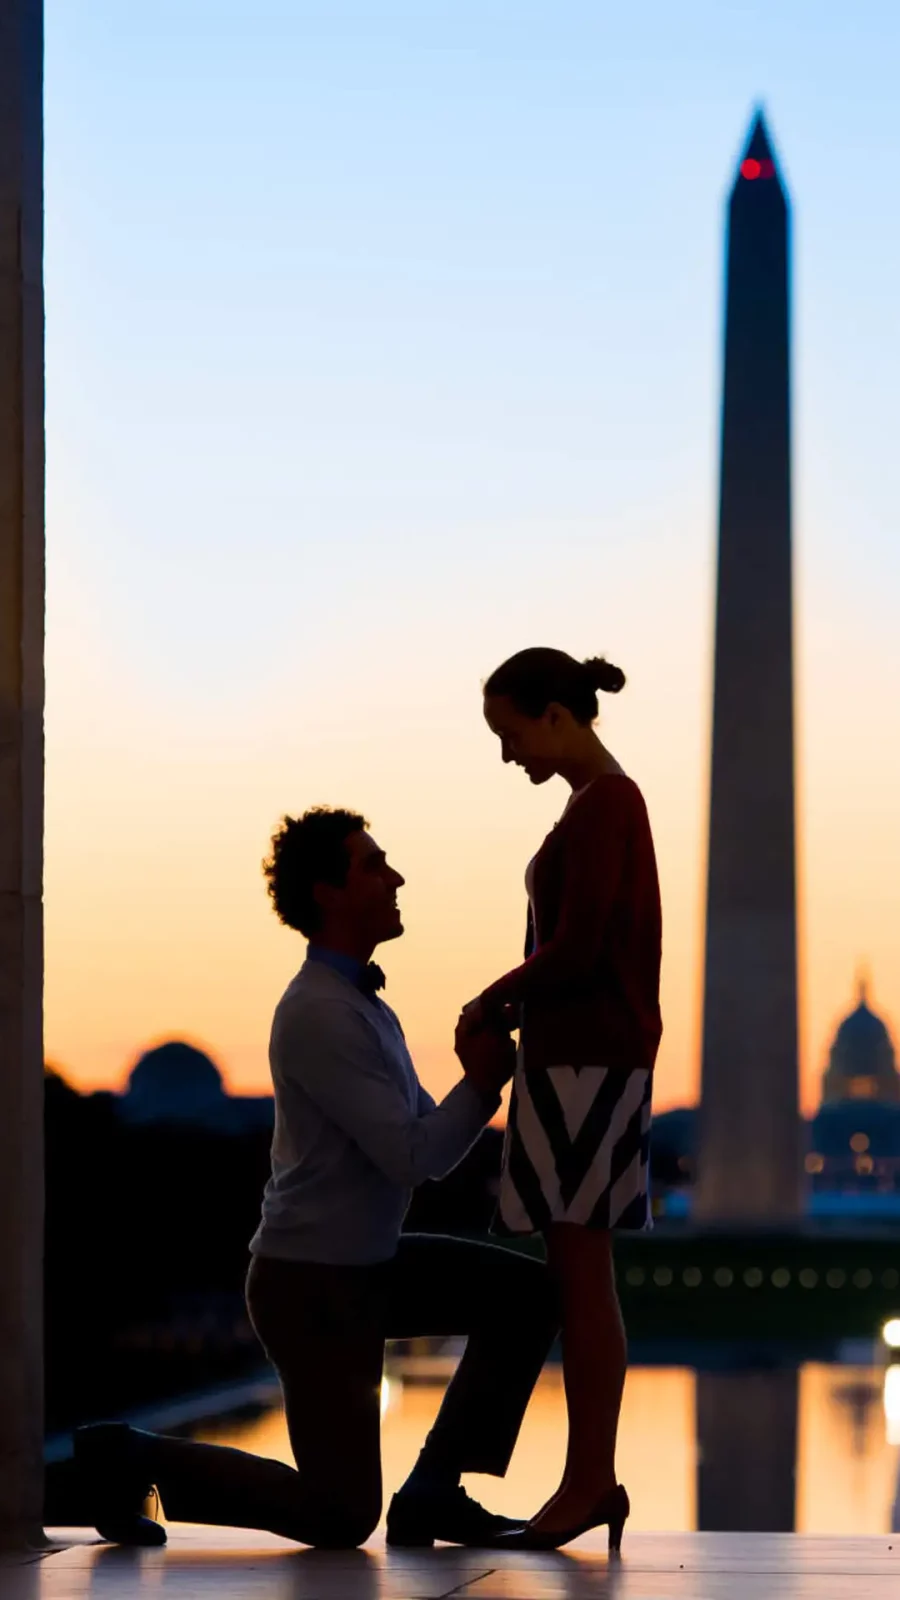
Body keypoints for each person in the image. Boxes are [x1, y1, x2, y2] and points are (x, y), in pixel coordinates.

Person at [66, 807, 559, 1550]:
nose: (396, 877)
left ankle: (434, 1487)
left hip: (364, 1268)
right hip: (313, 1286)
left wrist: (476, 1082)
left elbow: (425, 1145)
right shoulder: (320, 1015)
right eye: (374, 864)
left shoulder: (364, 1008)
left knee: (527, 1295)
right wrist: (482, 1085)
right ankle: (127, 1458)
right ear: (328, 893)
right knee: (340, 1514)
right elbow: (412, 1157)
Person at [459, 648, 662, 1552]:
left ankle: (589, 1482)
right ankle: (589, 1480)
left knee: (582, 1280)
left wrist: (489, 998)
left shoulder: (609, 804)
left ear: (553, 714)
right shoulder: (593, 807)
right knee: (579, 1277)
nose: (508, 758)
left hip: (587, 1066)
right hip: (575, 1064)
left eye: (510, 734)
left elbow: (579, 950)